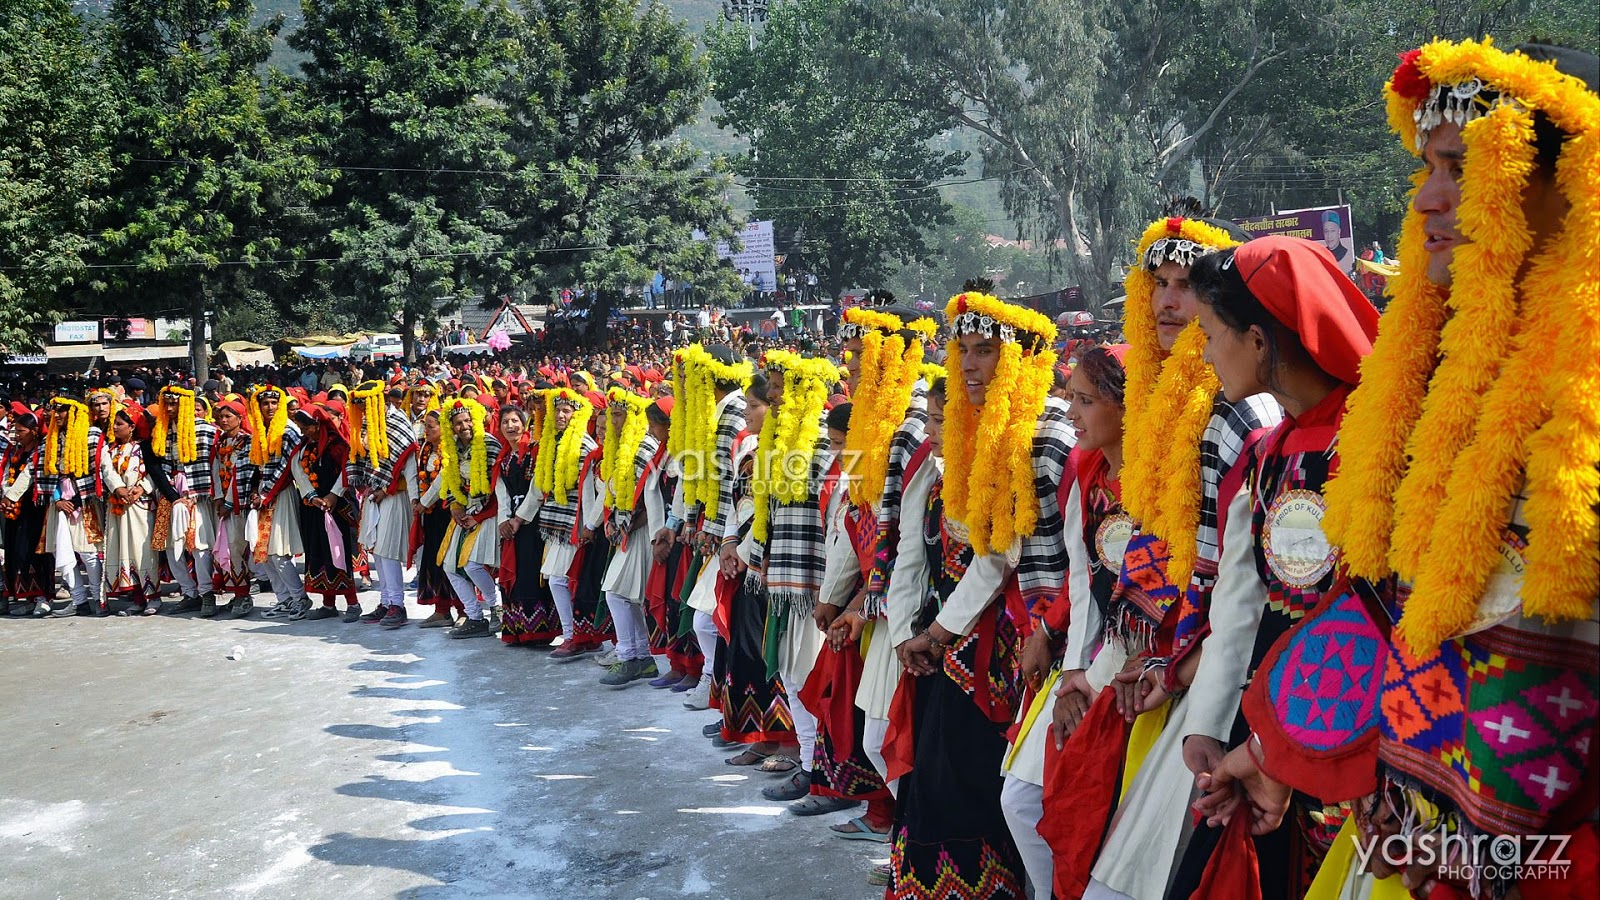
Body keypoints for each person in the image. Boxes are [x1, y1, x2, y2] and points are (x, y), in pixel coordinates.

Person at [1199, 41, 1600, 900]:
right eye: (1427, 167)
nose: (1427, 199)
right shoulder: (1441, 401)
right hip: (1418, 847)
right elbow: (1390, 620)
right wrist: (1276, 756)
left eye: (1461, 166)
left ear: (1563, 184)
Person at [1039, 213, 1278, 900]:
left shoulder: (1240, 411)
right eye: (1159, 285)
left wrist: (1183, 670)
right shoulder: (1154, 405)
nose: (1170, 302)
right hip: (1153, 663)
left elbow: (1247, 583)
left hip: (1218, 678)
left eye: (1189, 285)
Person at [1147, 234, 1377, 895]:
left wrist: (1270, 752)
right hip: (1272, 723)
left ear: (1257, 340)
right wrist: (1208, 730)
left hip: (1350, 732)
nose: (1206, 353)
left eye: (1212, 334)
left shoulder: (1372, 442)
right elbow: (1240, 604)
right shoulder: (1268, 453)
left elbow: (1370, 614)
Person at [886, 290, 1066, 898]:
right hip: (975, 637)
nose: (967, 365)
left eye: (985, 351)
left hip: (1035, 637)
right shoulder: (969, 438)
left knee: (995, 784)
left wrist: (936, 632)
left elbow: (1002, 553)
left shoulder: (1048, 435)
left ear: (1020, 358)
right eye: (962, 350)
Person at [506, 390, 604, 657]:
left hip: (574, 524)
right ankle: (576, 635)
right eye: (557, 410)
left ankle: (578, 636)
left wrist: (590, 526)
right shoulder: (550, 444)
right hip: (554, 524)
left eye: (567, 411)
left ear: (577, 415)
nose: (560, 416)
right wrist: (518, 519)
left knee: (563, 580)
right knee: (557, 580)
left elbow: (589, 490)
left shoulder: (585, 445)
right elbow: (538, 487)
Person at [597, 388, 668, 686]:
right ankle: (641, 658)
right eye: (611, 414)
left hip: (641, 531)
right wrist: (610, 520)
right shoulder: (618, 446)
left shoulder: (643, 446)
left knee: (617, 594)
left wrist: (629, 525)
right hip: (627, 530)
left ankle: (631, 656)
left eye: (618, 414)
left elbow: (651, 496)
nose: (613, 420)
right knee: (624, 596)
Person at [427, 398, 502, 638]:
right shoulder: (452, 448)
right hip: (464, 511)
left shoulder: (489, 444)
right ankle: (474, 616)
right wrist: (453, 504)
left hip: (488, 512)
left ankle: (496, 608)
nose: (464, 426)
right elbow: (450, 481)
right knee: (449, 566)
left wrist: (479, 514)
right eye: (458, 423)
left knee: (472, 565)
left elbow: (497, 485)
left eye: (467, 420)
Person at [346, 381, 419, 626]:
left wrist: (411, 499)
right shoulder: (366, 423)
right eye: (357, 404)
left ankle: (397, 605)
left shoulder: (398, 422)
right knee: (377, 550)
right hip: (372, 494)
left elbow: (410, 466)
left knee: (387, 551)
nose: (361, 408)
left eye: (365, 403)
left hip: (395, 495)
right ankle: (386, 602)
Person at [149, 383, 220, 616]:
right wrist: (171, 494)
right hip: (170, 495)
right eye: (166, 403)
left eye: (174, 403)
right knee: (170, 545)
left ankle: (207, 593)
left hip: (198, 494)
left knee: (199, 545)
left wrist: (195, 494)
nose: (169, 408)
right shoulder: (162, 431)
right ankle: (190, 593)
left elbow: (215, 466)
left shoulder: (207, 430)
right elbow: (160, 466)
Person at [495, 402, 561, 645]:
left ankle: (539, 631)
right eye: (505, 422)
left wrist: (519, 519)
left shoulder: (535, 451)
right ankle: (518, 630)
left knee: (531, 573)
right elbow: (500, 489)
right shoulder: (503, 458)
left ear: (524, 425)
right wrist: (504, 519)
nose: (510, 426)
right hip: (511, 523)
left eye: (515, 421)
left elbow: (537, 488)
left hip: (532, 522)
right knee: (515, 574)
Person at [289, 404, 361, 621]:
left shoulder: (338, 445)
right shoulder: (304, 447)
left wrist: (332, 495)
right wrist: (311, 496)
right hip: (314, 508)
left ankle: (353, 603)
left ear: (317, 423)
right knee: (318, 552)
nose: (304, 432)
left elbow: (345, 471)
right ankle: (328, 604)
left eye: (306, 428)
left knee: (338, 553)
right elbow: (298, 471)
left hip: (336, 508)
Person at [250, 385, 312, 619]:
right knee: (262, 552)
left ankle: (299, 598)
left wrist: (267, 493)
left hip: (282, 494)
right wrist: (257, 491)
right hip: (264, 496)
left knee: (278, 552)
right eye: (265, 403)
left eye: (274, 403)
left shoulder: (288, 430)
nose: (270, 408)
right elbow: (258, 467)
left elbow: (289, 467)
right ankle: (283, 599)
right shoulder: (260, 431)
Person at [42, 397, 103, 617]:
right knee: (63, 553)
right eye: (55, 412)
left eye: (62, 411)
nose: (57, 416)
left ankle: (98, 599)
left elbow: (99, 471)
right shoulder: (51, 439)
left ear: (75, 412)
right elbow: (45, 472)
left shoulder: (92, 435)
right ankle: (79, 600)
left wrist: (75, 501)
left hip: (85, 502)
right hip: (58, 505)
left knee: (89, 554)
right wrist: (58, 499)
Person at [100, 403, 159, 615]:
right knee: (122, 549)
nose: (115, 427)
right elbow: (106, 470)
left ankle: (152, 596)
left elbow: (154, 473)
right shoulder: (110, 450)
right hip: (118, 506)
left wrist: (141, 489)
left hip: (140, 507)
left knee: (142, 550)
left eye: (119, 424)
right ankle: (136, 598)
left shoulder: (144, 447)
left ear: (132, 427)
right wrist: (119, 488)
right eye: (114, 424)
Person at [2, 402, 55, 617]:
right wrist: (7, 495)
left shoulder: (42, 450)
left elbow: (30, 476)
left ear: (34, 431)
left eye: (21, 432)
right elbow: (6, 472)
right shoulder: (14, 450)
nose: (17, 435)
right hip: (15, 509)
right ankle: (26, 597)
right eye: (15, 431)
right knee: (16, 552)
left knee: (36, 552)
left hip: (36, 510)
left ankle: (44, 597)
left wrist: (11, 496)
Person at [411, 410, 461, 628]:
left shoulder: (452, 450)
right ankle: (441, 610)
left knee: (453, 560)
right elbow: (416, 474)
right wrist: (416, 500)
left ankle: (463, 610)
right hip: (430, 514)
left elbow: (443, 479)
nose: (427, 430)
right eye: (426, 426)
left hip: (448, 512)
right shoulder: (424, 449)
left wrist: (424, 502)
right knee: (434, 559)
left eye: (431, 426)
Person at [210, 398, 257, 617]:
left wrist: (229, 501)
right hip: (225, 505)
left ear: (240, 418)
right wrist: (219, 497)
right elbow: (216, 470)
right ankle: (236, 593)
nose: (224, 420)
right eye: (221, 417)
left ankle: (243, 594)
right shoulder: (220, 443)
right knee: (227, 549)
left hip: (241, 505)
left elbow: (242, 474)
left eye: (229, 416)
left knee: (238, 549)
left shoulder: (247, 442)